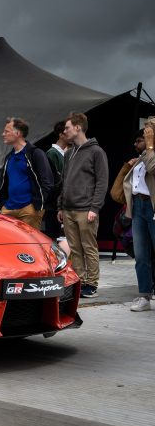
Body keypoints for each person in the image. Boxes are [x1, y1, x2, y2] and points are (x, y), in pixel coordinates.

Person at [58, 112, 109, 298]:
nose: (64, 131)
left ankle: (92, 284)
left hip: (86, 209)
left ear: (78, 127)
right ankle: (79, 281)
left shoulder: (96, 151)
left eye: (67, 128)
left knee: (89, 247)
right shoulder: (69, 153)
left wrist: (94, 208)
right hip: (69, 209)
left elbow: (102, 182)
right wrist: (60, 206)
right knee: (75, 248)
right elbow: (64, 180)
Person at [110, 125, 155, 311]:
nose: (137, 143)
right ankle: (144, 295)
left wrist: (150, 147)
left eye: (141, 139)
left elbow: (153, 168)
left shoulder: (150, 156)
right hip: (137, 207)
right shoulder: (138, 160)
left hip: (152, 207)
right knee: (141, 254)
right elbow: (118, 192)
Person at [0, 117, 53, 229]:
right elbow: (4, 183)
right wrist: (2, 205)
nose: (3, 134)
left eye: (7, 131)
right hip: (8, 208)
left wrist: (36, 206)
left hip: (28, 209)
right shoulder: (9, 157)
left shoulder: (35, 154)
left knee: (28, 244)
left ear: (17, 133)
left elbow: (47, 181)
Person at [44, 121, 70, 239]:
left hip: (62, 203)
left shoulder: (65, 154)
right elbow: (53, 180)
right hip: (53, 204)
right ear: (61, 134)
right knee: (52, 237)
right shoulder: (52, 154)